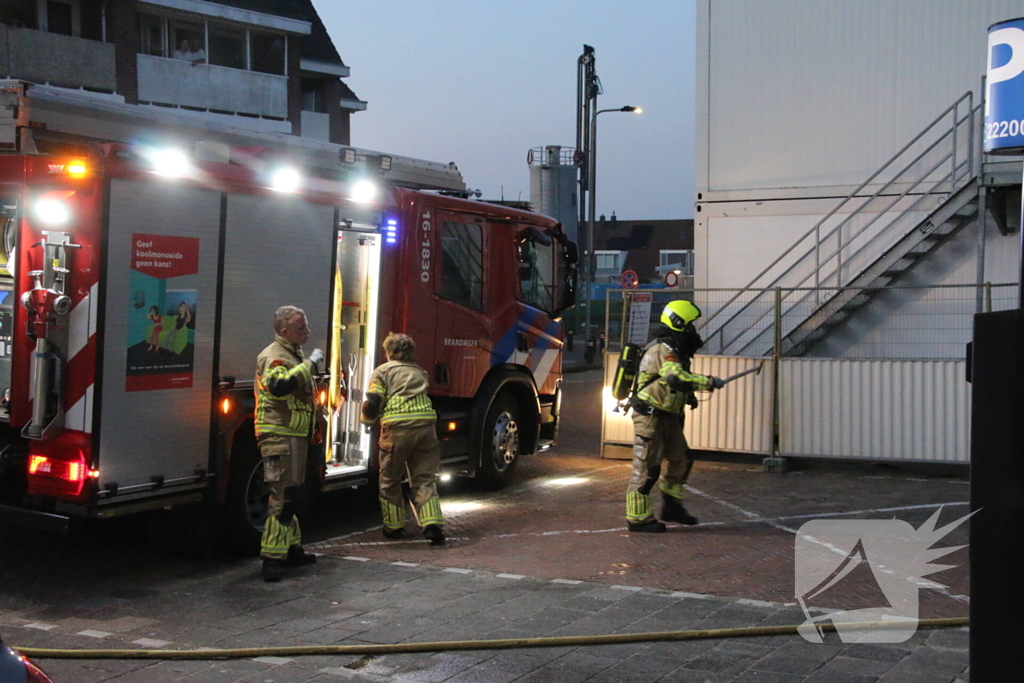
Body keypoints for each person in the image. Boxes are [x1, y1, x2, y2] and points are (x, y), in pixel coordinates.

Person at [626, 300, 725, 533]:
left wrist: (688, 397)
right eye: (691, 325)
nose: (694, 331)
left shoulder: (676, 350)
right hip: (650, 417)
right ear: (679, 324)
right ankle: (638, 519)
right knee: (647, 468)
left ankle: (672, 506)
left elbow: (672, 384)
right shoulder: (664, 350)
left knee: (682, 458)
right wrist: (708, 382)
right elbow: (674, 377)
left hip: (667, 416)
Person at [254, 306, 325, 581]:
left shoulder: (291, 352)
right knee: (283, 497)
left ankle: (292, 549)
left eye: (306, 327)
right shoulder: (274, 357)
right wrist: (310, 365)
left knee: (293, 493)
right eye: (301, 328)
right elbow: (279, 387)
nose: (307, 332)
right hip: (279, 436)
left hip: (293, 435)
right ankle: (271, 559)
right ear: (284, 332)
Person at [361, 333, 445, 546]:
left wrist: (367, 421)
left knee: (390, 480)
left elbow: (375, 400)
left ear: (389, 352)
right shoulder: (420, 372)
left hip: (397, 430)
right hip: (426, 429)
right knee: (424, 479)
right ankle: (432, 525)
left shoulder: (382, 371)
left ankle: (394, 527)